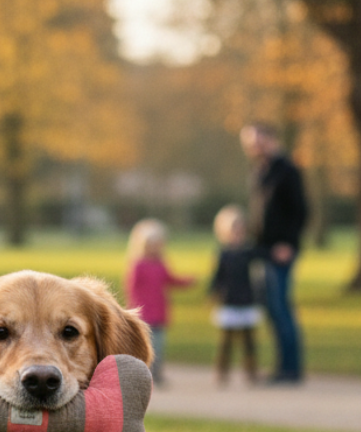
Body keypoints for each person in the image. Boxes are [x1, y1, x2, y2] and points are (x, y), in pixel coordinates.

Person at [240, 122, 309, 384]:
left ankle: (291, 369)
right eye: (248, 143)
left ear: (270, 139)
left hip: (280, 251)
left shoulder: (287, 170)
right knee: (270, 308)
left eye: (256, 141)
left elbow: (301, 210)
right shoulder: (260, 170)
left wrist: (288, 243)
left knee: (281, 308)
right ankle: (282, 366)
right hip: (261, 250)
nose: (252, 147)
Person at [124, 218, 195, 387]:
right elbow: (131, 288)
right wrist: (132, 310)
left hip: (159, 312)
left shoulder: (160, 264)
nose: (155, 247)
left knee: (159, 346)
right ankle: (143, 375)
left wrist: (187, 282)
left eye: (158, 243)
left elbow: (170, 279)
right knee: (144, 347)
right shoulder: (138, 265)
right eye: (151, 243)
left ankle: (158, 374)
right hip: (143, 313)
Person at [207, 205, 262, 385]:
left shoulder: (249, 252)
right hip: (229, 300)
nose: (238, 234)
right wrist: (212, 292)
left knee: (249, 340)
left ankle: (251, 370)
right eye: (233, 230)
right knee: (226, 340)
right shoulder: (223, 254)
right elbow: (217, 276)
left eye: (240, 230)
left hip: (246, 299)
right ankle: (222, 370)